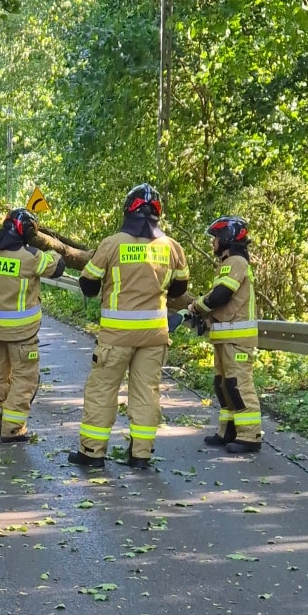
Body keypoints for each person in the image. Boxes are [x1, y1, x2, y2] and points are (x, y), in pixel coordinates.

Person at [69, 184, 190, 470]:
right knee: (146, 392)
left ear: (128, 210)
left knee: (102, 390)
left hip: (116, 336)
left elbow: (87, 284)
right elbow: (179, 288)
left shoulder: (112, 244)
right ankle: (141, 455)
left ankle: (92, 452)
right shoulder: (172, 247)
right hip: (154, 336)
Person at [0, 209, 65, 440]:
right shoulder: (31, 257)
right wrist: (54, 248)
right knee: (24, 379)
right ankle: (12, 428)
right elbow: (58, 266)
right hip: (22, 335)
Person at [189, 215, 262, 454]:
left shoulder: (236, 262)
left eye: (216, 237)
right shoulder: (228, 263)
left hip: (237, 339)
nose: (213, 242)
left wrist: (196, 306)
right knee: (223, 385)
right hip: (225, 337)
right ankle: (228, 431)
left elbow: (220, 295)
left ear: (227, 238)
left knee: (238, 385)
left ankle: (250, 436)